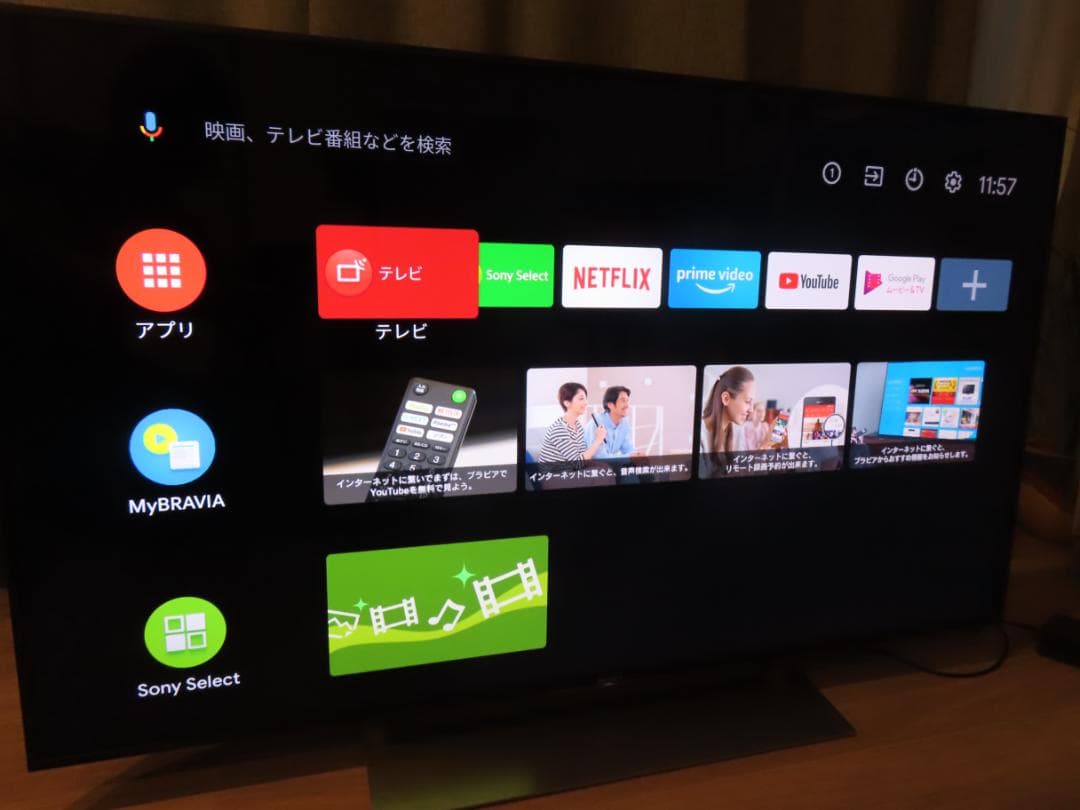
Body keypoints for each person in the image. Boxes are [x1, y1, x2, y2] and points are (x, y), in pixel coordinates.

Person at [537, 382, 607, 463]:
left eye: (585, 399)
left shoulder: (578, 426)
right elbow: (577, 463)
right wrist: (598, 441)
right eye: (581, 399)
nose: (586, 403)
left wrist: (597, 439)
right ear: (567, 403)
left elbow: (584, 455)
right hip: (557, 471)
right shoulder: (559, 429)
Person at [701, 366, 756, 454]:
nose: (751, 409)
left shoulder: (737, 431)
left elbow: (742, 461)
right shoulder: (700, 434)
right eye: (748, 401)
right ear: (726, 398)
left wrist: (767, 443)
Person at [583, 385, 646, 459]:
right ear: (610, 405)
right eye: (623, 401)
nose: (627, 405)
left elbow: (628, 448)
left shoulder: (624, 422)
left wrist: (637, 455)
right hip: (584, 464)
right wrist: (629, 457)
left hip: (606, 464)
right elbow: (599, 457)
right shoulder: (596, 423)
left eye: (627, 401)